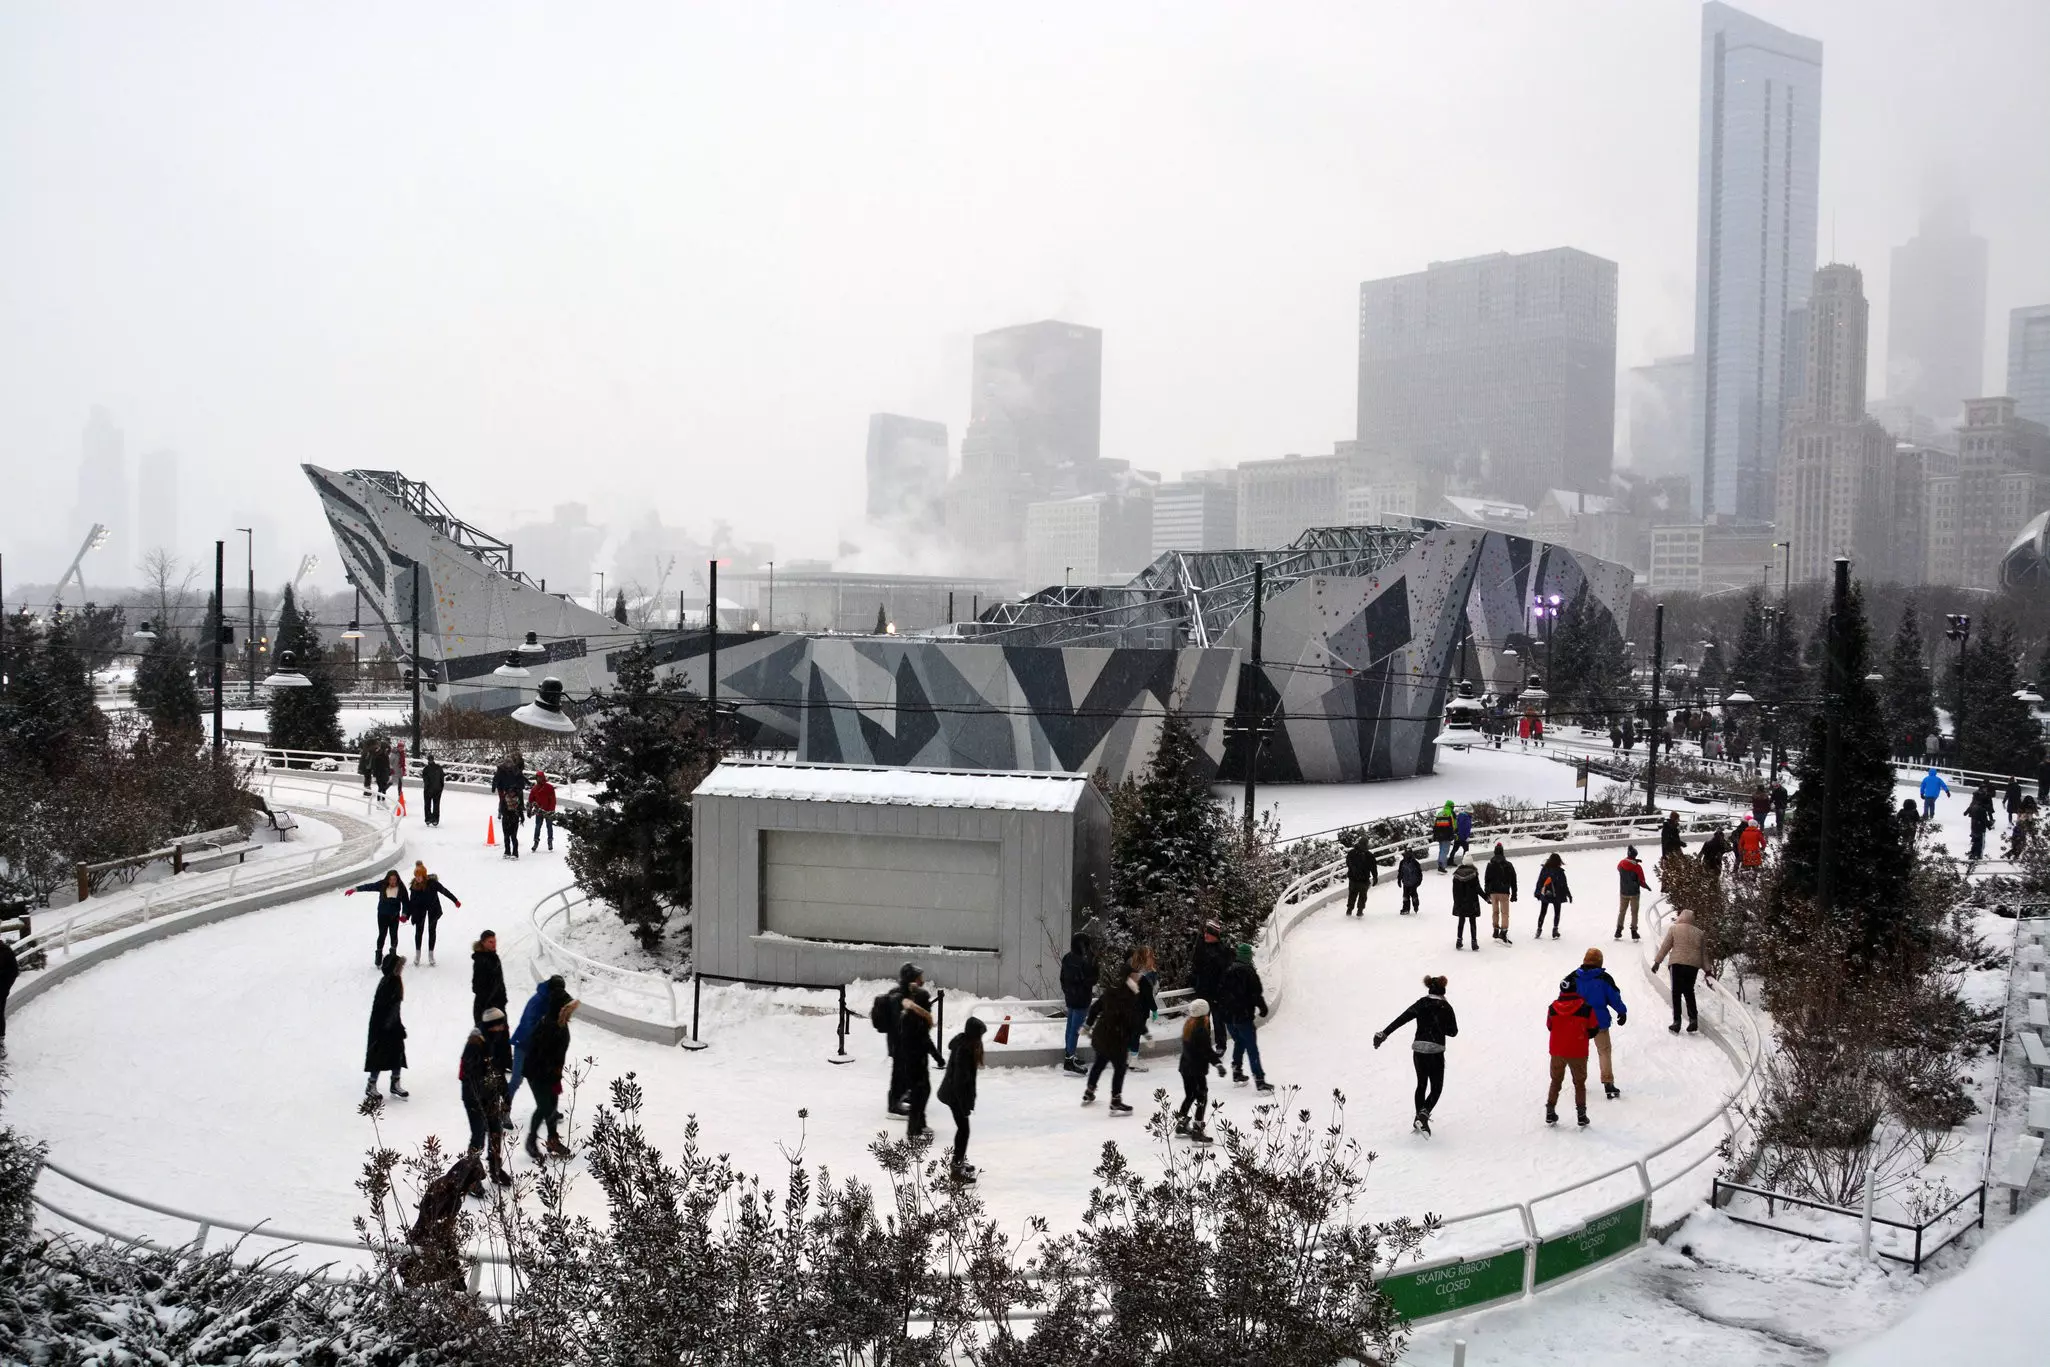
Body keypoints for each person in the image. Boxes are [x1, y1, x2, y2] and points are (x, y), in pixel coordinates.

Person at [1373, 974, 1457, 1135]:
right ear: (1443, 990)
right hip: (1436, 1051)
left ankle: (1418, 1121)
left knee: (1421, 1085)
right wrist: (1440, 1027)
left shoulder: (1422, 1003)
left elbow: (1402, 1019)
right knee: (1436, 1088)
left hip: (1418, 1050)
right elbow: (1453, 1032)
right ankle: (1423, 1116)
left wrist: (1384, 1034)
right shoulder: (1446, 1007)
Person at [522, 980, 579, 1162]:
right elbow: (539, 1054)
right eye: (567, 1009)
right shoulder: (549, 1027)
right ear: (559, 1009)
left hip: (551, 1074)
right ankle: (531, 1141)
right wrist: (549, 1073)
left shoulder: (560, 1026)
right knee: (545, 1107)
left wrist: (555, 1074)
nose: (571, 1012)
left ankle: (552, 1141)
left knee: (552, 1105)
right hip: (537, 1074)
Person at [460, 1008, 514, 1186]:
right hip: (473, 1097)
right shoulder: (475, 1044)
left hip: (489, 1096)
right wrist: (482, 1097)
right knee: (478, 1135)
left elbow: (497, 1071)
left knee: (496, 1132)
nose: (502, 1028)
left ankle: (495, 1169)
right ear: (491, 1026)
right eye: (499, 1025)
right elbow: (471, 1076)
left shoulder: (494, 1041)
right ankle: (471, 1177)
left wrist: (506, 1096)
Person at [1082, 962, 1144, 1113]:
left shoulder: (1111, 990)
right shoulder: (1130, 994)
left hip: (1102, 1035)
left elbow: (1095, 1008)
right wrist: (1143, 1031)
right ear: (1130, 976)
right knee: (1120, 1068)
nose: (1139, 978)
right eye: (1136, 975)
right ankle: (1116, 1100)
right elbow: (1132, 1018)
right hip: (1116, 1037)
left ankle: (1089, 1090)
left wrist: (1088, 1025)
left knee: (1100, 1062)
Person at [1570, 948, 1628, 1100]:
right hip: (1599, 1021)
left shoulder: (1573, 977)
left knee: (1580, 1052)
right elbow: (1614, 997)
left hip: (1579, 1021)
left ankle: (1579, 1082)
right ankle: (1608, 1083)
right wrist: (1621, 1011)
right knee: (1604, 1051)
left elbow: (1565, 997)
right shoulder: (1604, 978)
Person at [935, 1014, 986, 1182]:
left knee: (963, 1130)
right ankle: (956, 1170)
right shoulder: (964, 1051)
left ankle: (958, 1162)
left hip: (955, 1095)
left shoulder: (965, 1046)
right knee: (964, 1130)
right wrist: (964, 1105)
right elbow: (959, 1082)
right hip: (954, 1096)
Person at [1216, 944, 1273, 1093]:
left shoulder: (1227, 970)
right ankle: (1260, 1081)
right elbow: (1256, 994)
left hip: (1228, 1017)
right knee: (1251, 1048)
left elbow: (1220, 992)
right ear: (1248, 956)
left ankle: (1237, 1072)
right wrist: (1263, 1008)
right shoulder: (1249, 971)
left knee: (1239, 1042)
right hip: (1242, 1016)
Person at [892, 982, 944, 1138]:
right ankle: (913, 1130)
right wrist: (937, 1057)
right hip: (914, 1062)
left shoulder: (913, 1016)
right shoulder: (914, 1019)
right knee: (919, 1094)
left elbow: (923, 1040)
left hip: (915, 1061)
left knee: (922, 1092)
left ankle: (919, 1124)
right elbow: (924, 1041)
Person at [1544, 976, 1597, 1127]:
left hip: (1557, 1051)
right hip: (1578, 1051)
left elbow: (1549, 1026)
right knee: (1579, 1083)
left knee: (1555, 1081)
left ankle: (1550, 1111)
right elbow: (1593, 1028)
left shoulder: (1552, 1008)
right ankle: (1581, 1115)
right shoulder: (1585, 1008)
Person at [1174, 1000, 1224, 1142]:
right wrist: (1218, 1064)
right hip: (1195, 1069)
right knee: (1202, 1097)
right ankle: (1197, 1131)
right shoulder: (1201, 1028)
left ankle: (1181, 1124)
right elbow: (1206, 1050)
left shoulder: (1189, 1023)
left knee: (1190, 1096)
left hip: (1185, 1068)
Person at [1650, 908, 1705, 1034]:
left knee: (1676, 992)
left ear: (1680, 917)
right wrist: (1708, 971)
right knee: (1689, 991)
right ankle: (1693, 1019)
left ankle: (1677, 1022)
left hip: (1677, 964)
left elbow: (1665, 946)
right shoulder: (1700, 933)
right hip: (1692, 965)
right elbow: (1704, 954)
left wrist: (1657, 962)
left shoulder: (1674, 929)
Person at [364, 952, 409, 1099]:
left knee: (397, 1053)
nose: (401, 968)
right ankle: (371, 1084)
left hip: (392, 1025)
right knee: (379, 1055)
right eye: (399, 966)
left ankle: (395, 1083)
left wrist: (397, 1025)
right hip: (382, 1026)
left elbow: (395, 1008)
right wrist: (389, 1026)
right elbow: (383, 1007)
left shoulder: (395, 981)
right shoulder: (388, 982)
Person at [506, 975, 557, 1103]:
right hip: (524, 1045)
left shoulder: (551, 1000)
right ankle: (502, 1110)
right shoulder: (538, 1001)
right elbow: (530, 1025)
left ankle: (548, 1110)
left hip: (537, 1048)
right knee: (517, 1080)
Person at [347, 870, 412, 967]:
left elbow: (406, 902)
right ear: (388, 879)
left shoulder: (401, 888)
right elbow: (369, 886)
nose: (392, 881)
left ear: (397, 879)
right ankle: (378, 955)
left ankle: (393, 955)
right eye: (391, 879)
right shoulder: (382, 885)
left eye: (394, 879)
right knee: (382, 934)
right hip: (382, 915)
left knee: (394, 935)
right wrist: (355, 889)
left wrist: (404, 915)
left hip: (394, 916)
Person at [883, 962, 922, 1113]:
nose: (921, 981)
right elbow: (899, 1024)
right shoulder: (899, 997)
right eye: (918, 978)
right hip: (899, 1044)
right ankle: (894, 1104)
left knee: (907, 1071)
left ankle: (906, 1094)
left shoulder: (908, 994)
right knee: (899, 1073)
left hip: (905, 1043)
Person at [1189, 921, 1231, 1055]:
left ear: (1215, 935)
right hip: (1202, 992)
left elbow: (1226, 973)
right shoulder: (1200, 948)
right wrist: (1194, 980)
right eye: (1205, 933)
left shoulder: (1223, 950)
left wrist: (1221, 990)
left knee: (1218, 1021)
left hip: (1217, 994)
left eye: (1209, 933)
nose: (1206, 935)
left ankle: (1221, 1045)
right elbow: (1196, 967)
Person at [407, 862, 461, 965]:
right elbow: (411, 902)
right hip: (419, 910)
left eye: (420, 876)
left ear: (424, 875)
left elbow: (444, 891)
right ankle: (417, 955)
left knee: (432, 930)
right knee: (419, 931)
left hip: (433, 908)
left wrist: (455, 900)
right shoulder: (414, 886)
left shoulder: (432, 883)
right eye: (416, 876)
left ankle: (431, 955)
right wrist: (406, 915)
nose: (417, 878)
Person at [1060, 934, 1097, 1075]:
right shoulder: (1086, 960)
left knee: (1070, 1028)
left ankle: (1069, 1055)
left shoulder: (1067, 958)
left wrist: (1068, 991)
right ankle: (1069, 1062)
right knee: (1075, 1030)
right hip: (1081, 1000)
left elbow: (1062, 978)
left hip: (1070, 998)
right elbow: (1092, 979)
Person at [1482, 843, 1518, 944]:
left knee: (1495, 911)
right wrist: (1514, 893)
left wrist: (1487, 892)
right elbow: (1513, 880)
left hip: (1493, 892)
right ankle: (1503, 931)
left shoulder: (1490, 865)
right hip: (1504, 891)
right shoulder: (1508, 865)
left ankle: (1495, 929)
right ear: (1502, 852)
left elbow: (1487, 880)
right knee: (1505, 913)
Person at [1614, 847, 1652, 940]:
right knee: (1634, 912)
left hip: (1623, 892)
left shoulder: (1621, 864)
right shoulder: (1637, 867)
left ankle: (1618, 931)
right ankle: (1634, 932)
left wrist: (1633, 861)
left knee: (1622, 911)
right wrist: (1646, 887)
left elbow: (1621, 868)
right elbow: (1641, 881)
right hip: (1634, 893)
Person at [471, 930, 507, 1026]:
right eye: (490, 942)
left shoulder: (493, 957)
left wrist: (502, 998)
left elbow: (499, 981)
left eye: (495, 941)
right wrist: (490, 1003)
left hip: (497, 1005)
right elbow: (477, 986)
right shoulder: (481, 961)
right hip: (486, 1008)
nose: (494, 944)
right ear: (483, 943)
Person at [1450, 853, 1483, 950]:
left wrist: (1456, 901)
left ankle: (1459, 940)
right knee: (1472, 921)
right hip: (1471, 902)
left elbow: (1454, 891)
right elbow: (1478, 888)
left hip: (1460, 902)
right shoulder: (1474, 873)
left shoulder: (1457, 874)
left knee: (1461, 920)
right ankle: (1474, 942)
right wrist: (1486, 897)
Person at [1533, 853, 1570, 938]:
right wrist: (1568, 894)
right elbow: (1564, 885)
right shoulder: (1560, 872)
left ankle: (1539, 929)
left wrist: (1537, 892)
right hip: (1557, 895)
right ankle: (1555, 930)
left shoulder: (1545, 870)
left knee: (1543, 912)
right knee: (1557, 912)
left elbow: (1540, 882)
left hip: (1546, 894)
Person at [1344, 836, 1378, 915]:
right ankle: (1360, 911)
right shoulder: (1369, 855)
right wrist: (1375, 877)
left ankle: (1349, 910)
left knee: (1352, 894)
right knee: (1362, 896)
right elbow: (1373, 867)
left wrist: (1354, 870)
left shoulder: (1351, 853)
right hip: (1363, 879)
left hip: (1353, 879)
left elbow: (1348, 863)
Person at [529, 770, 559, 852]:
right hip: (539, 811)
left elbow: (553, 800)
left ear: (543, 778)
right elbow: (531, 799)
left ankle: (550, 841)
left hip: (548, 811)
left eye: (540, 777)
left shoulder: (549, 787)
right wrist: (531, 808)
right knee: (537, 826)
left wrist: (551, 810)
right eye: (537, 777)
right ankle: (536, 841)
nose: (539, 779)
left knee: (549, 826)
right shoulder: (534, 788)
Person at [1968, 781, 1996, 860]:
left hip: (1975, 824)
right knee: (1980, 842)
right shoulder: (1982, 808)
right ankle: (1979, 856)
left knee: (1976, 840)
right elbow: (1984, 819)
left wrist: (1968, 811)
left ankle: (1972, 854)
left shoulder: (1975, 804)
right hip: (1980, 828)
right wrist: (1989, 825)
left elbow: (1972, 804)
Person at [498, 784, 524, 859]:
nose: (511, 793)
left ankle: (515, 853)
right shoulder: (504, 799)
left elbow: (520, 809)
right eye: (510, 792)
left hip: (514, 819)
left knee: (513, 836)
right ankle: (507, 851)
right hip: (506, 819)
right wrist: (506, 815)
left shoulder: (518, 800)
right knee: (506, 836)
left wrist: (522, 818)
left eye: (513, 792)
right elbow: (502, 809)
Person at [1396, 847, 1424, 914]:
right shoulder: (1402, 862)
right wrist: (1399, 880)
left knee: (1414, 896)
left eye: (1409, 853)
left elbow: (1419, 873)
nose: (1407, 855)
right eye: (1406, 853)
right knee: (1405, 896)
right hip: (1405, 882)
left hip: (1414, 883)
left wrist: (1419, 881)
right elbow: (1400, 872)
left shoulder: (1415, 863)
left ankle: (1416, 906)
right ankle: (1406, 909)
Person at [421, 753, 446, 827]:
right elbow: (442, 779)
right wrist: (441, 787)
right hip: (437, 789)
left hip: (429, 790)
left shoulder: (426, 769)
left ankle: (428, 819)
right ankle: (435, 819)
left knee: (427, 805)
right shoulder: (439, 768)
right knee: (436, 805)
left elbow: (425, 780)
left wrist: (427, 787)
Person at [1431, 802, 1456, 872]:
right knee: (1445, 851)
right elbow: (1452, 825)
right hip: (1446, 835)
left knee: (1441, 850)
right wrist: (1452, 834)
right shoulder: (1450, 813)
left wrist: (1435, 834)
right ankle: (1441, 866)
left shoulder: (1440, 813)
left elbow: (1435, 825)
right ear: (1451, 806)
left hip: (1439, 835)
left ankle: (1440, 864)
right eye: (1453, 806)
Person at [371, 737, 392, 804]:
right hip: (379, 774)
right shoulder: (377, 755)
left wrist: (389, 774)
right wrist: (374, 776)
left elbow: (387, 765)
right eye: (386, 748)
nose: (387, 749)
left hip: (385, 774)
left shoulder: (386, 755)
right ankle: (378, 802)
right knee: (381, 788)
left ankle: (383, 801)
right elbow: (375, 766)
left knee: (383, 788)